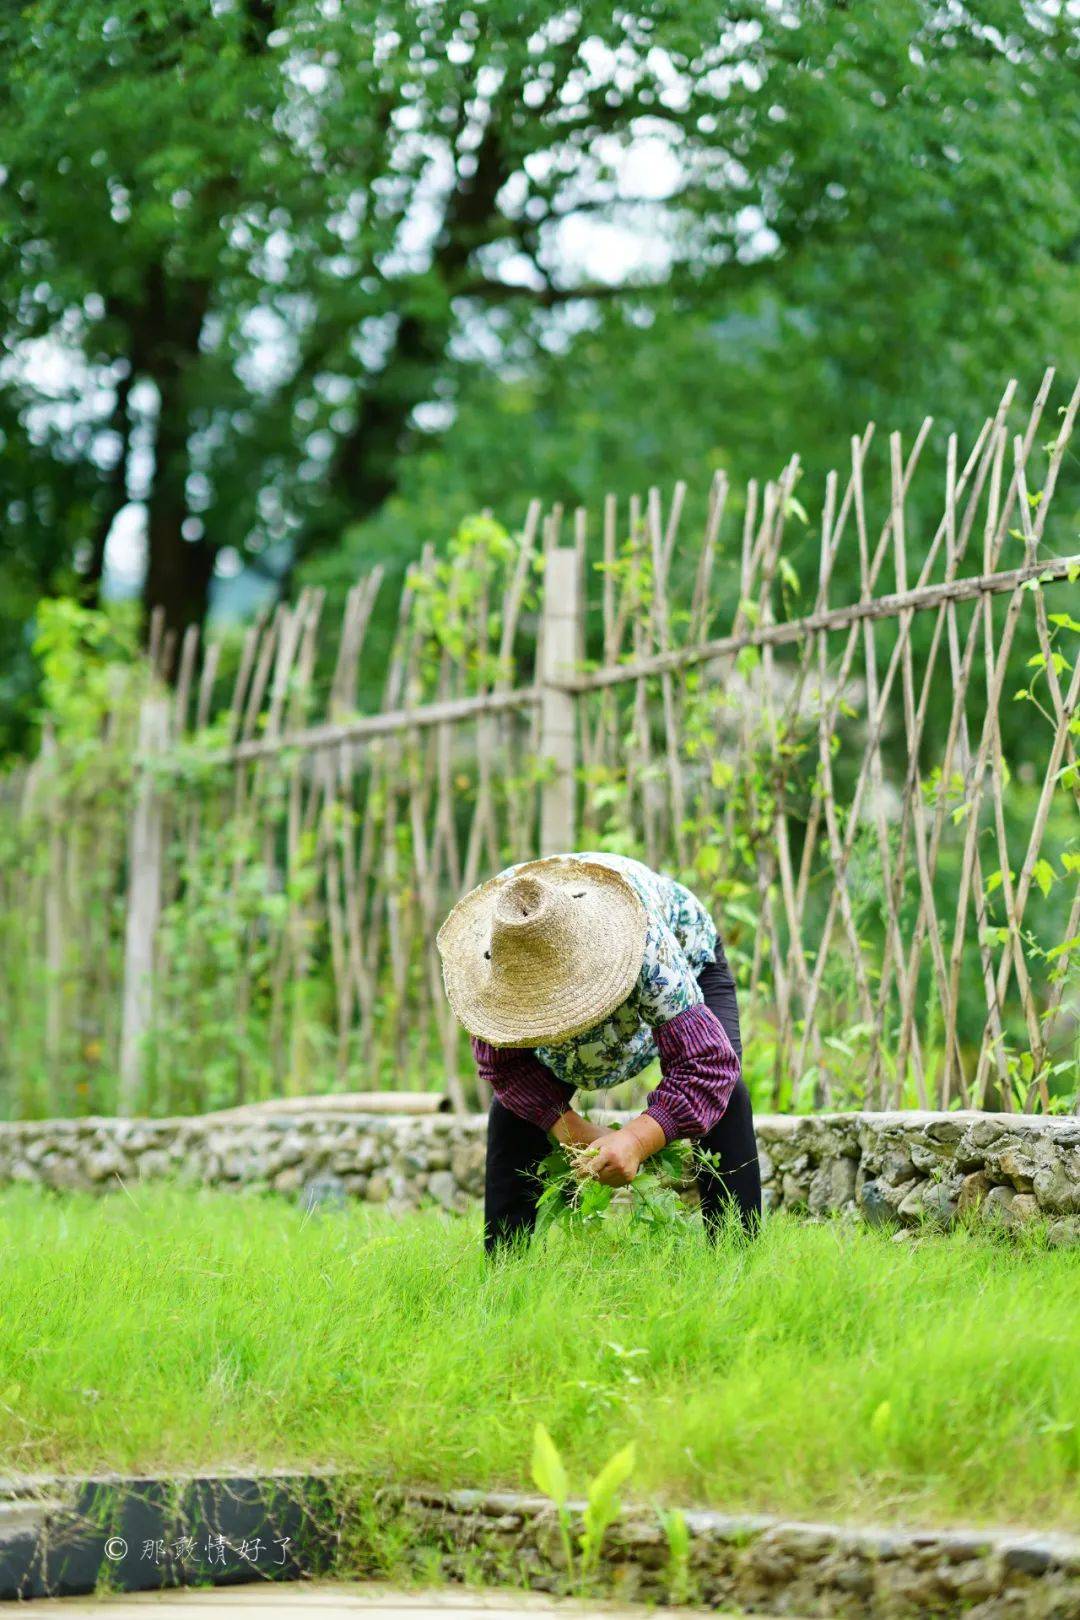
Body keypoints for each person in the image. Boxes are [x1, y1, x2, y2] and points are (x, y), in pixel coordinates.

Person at [436, 850, 761, 1253]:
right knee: (513, 1113)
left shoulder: (644, 947)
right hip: (556, 991)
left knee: (728, 1096)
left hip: (681, 956)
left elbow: (705, 1067)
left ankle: (736, 1255)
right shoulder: (495, 958)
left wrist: (637, 1140)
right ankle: (504, 1270)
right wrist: (574, 1131)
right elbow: (506, 1068)